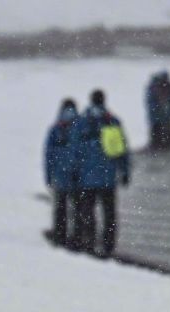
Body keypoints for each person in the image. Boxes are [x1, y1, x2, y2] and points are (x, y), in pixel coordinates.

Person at [71, 89, 130, 257]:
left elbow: (74, 150)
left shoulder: (81, 122)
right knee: (109, 213)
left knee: (88, 211)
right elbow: (122, 150)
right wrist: (124, 171)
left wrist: (73, 171)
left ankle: (89, 242)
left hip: (86, 177)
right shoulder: (112, 121)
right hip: (108, 177)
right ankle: (108, 244)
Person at [43, 98, 78, 247]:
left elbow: (48, 155)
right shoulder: (81, 126)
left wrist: (49, 176)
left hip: (60, 174)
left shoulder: (55, 128)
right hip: (77, 175)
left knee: (60, 208)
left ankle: (60, 235)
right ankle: (77, 236)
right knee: (78, 208)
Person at [145, 70, 170, 150]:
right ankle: (156, 147)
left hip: (166, 115)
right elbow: (150, 102)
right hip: (156, 115)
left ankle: (166, 146)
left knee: (167, 131)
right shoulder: (154, 87)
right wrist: (157, 108)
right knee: (156, 130)